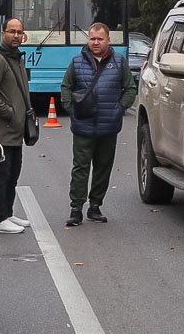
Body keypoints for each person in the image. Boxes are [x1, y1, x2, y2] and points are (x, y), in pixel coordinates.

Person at [59, 22, 137, 226]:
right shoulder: (77, 62)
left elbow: (130, 89)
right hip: (83, 126)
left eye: (99, 39)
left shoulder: (119, 63)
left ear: (108, 40)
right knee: (80, 167)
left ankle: (95, 206)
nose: (95, 42)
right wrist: (70, 108)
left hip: (108, 127)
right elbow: (66, 86)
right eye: (92, 38)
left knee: (103, 167)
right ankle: (76, 209)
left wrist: (119, 109)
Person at [0, 17, 32, 234]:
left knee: (13, 173)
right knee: (1, 175)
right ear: (4, 33)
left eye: (19, 32)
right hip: (0, 131)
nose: (16, 36)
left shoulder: (16, 59)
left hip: (15, 131)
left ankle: (8, 213)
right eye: (12, 32)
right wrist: (10, 114)